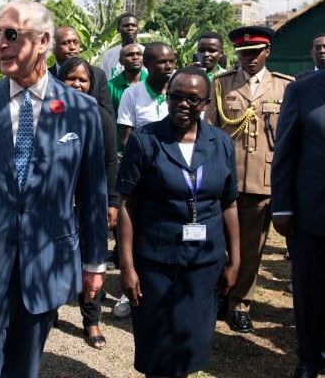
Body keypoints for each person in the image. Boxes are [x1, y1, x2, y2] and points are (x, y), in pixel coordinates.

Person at [0, 0, 108, 377]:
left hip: (46, 262)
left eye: (12, 34)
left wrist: (95, 262)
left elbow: (93, 194)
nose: (0, 43)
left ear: (43, 41)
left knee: (24, 367)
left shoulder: (81, 112)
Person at [117, 66, 241, 378]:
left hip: (204, 261)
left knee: (192, 339)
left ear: (207, 103)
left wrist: (235, 260)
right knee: (157, 342)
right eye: (176, 97)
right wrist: (127, 265)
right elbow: (128, 205)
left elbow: (228, 203)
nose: (183, 104)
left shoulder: (221, 143)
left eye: (193, 99)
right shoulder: (145, 140)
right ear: (167, 97)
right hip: (156, 260)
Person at [204, 25, 294, 333]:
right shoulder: (221, 84)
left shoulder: (284, 87)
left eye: (255, 53)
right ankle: (220, 294)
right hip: (225, 179)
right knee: (220, 242)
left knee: (253, 246)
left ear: (267, 51)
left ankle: (241, 302)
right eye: (243, 54)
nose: (249, 59)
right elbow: (209, 135)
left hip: (262, 179)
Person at [58, 56, 118, 350]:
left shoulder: (100, 116)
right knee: (54, 259)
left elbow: (109, 162)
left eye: (84, 80)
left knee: (91, 259)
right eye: (71, 79)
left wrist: (113, 201)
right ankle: (50, 310)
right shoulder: (49, 114)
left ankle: (91, 319)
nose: (78, 85)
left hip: (89, 202)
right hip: (56, 204)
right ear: (60, 81)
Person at [271, 69, 325, 378]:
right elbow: (285, 152)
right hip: (312, 213)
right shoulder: (302, 91)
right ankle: (309, 359)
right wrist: (283, 207)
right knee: (310, 293)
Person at [116, 42, 175, 150]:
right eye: (162, 62)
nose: (168, 67)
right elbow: (126, 139)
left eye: (171, 61)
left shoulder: (180, 93)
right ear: (146, 64)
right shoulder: (131, 94)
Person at [49, 26, 114, 117]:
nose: (72, 47)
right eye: (65, 43)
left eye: (76, 42)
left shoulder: (98, 75)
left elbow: (108, 116)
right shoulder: (46, 77)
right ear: (53, 48)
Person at [101, 13, 145, 79]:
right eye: (126, 25)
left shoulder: (145, 52)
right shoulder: (108, 55)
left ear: (138, 29)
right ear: (118, 29)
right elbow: (104, 80)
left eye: (133, 25)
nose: (130, 28)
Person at [108, 43, 147, 117]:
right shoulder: (110, 86)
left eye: (139, 54)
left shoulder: (152, 83)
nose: (135, 57)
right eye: (130, 55)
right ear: (121, 61)